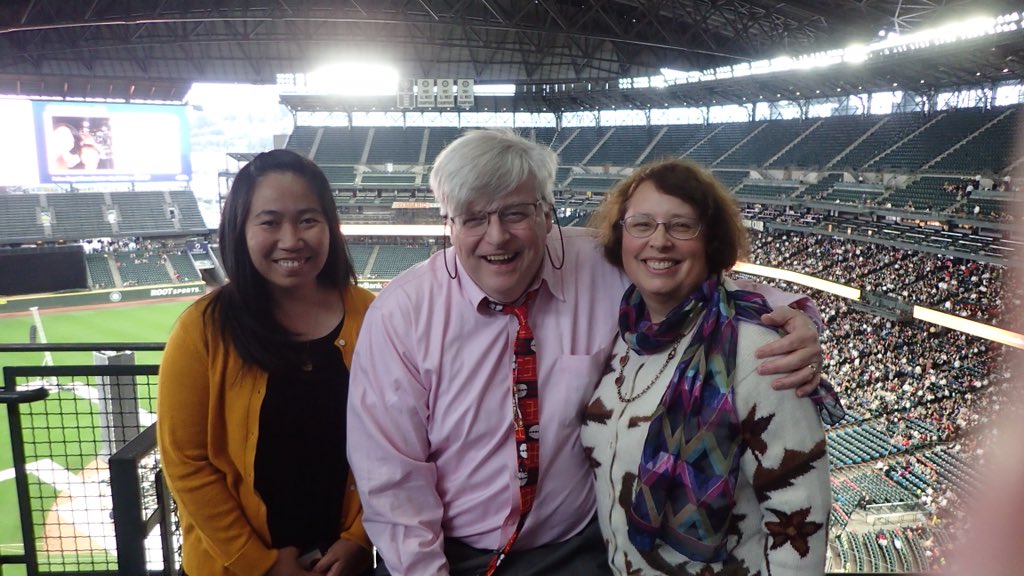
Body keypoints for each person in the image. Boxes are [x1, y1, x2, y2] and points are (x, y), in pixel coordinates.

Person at [347, 129, 829, 576]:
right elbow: (392, 478)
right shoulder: (400, 315)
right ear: (447, 223)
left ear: (546, 211)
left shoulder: (598, 263)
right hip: (450, 556)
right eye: (473, 217)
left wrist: (791, 313)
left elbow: (694, 280)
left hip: (576, 552)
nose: (497, 237)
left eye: (515, 213)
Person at [581, 159, 832, 574]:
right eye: (641, 224)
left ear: (710, 241)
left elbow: (800, 524)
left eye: (682, 226)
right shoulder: (623, 335)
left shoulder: (758, 353)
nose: (659, 241)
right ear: (620, 236)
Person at [157, 149, 373, 576]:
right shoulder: (202, 329)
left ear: (331, 226)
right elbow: (187, 463)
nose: (291, 239)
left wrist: (360, 539)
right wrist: (261, 565)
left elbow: (405, 443)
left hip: (343, 563)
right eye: (270, 221)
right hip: (232, 566)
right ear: (241, 229)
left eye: (308, 219)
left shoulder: (375, 316)